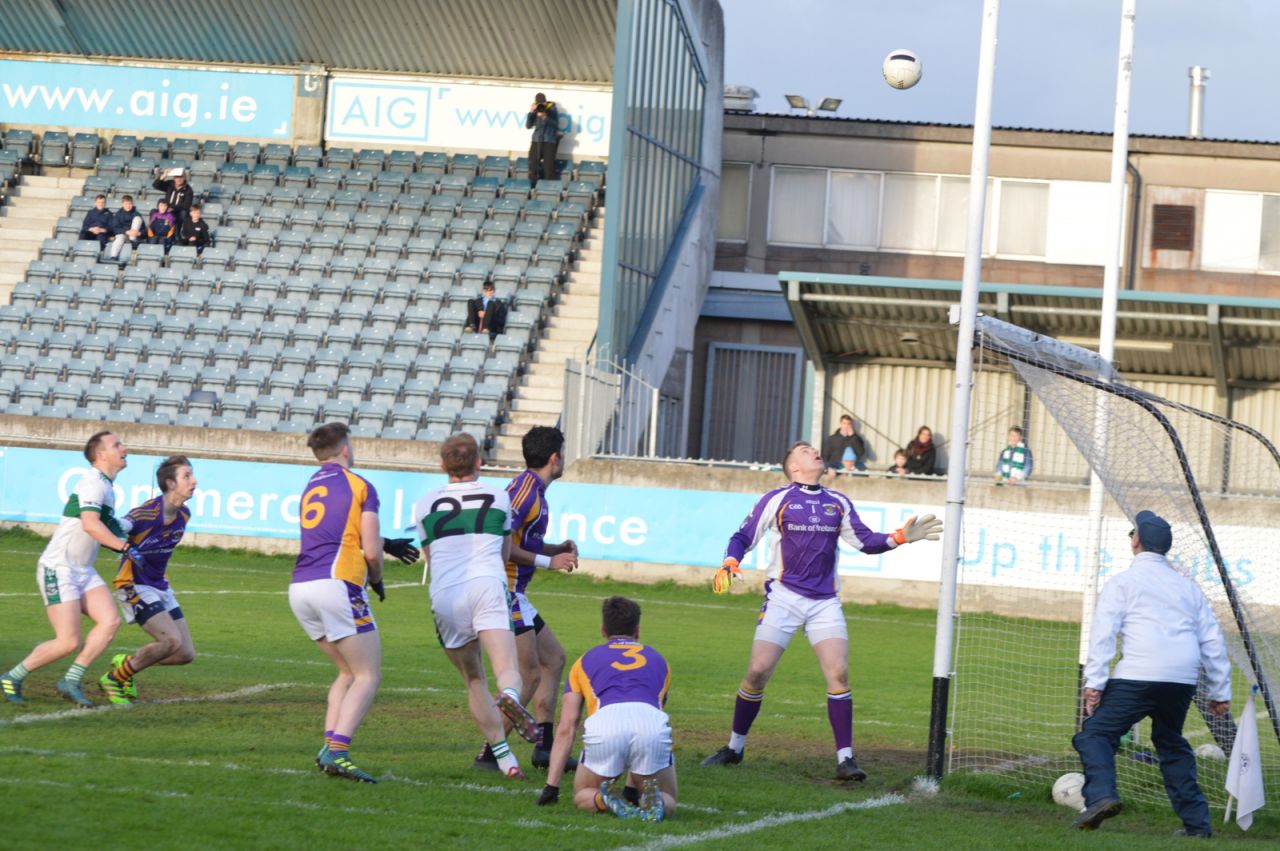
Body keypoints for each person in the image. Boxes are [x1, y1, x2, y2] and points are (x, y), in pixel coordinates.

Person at [701, 441, 943, 779]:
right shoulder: (777, 499)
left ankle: (846, 760)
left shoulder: (838, 502)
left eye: (813, 449)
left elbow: (866, 542)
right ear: (794, 467)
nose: (814, 451)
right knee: (757, 673)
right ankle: (734, 748)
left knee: (838, 674)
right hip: (782, 599)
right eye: (804, 450)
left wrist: (901, 537)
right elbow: (743, 536)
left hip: (824, 603)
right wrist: (730, 561)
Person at [1070, 511, 1231, 836]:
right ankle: (1198, 827)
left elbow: (1103, 636)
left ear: (1136, 541)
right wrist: (1219, 692)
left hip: (1138, 674)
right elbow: (1212, 639)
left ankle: (1101, 797)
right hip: (1182, 679)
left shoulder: (1123, 583)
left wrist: (1094, 685)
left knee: (1095, 735)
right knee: (1170, 742)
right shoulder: (1188, 588)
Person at [289, 422, 418, 783]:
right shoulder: (361, 485)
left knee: (347, 672)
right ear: (345, 448)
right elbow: (372, 552)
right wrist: (376, 580)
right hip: (338, 584)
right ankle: (339, 751)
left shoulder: (310, 485)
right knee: (367, 674)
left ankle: (328, 747)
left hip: (300, 586)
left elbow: (341, 535)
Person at [413, 433, 540, 780]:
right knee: (506, 669)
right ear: (479, 463)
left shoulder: (424, 503)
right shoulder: (499, 496)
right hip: (486, 585)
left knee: (473, 679)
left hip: (446, 594)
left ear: (442, 465)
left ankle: (504, 757)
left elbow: (430, 556)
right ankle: (511, 696)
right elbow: (503, 554)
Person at [0, 431, 138, 708]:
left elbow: (110, 525)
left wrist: (141, 524)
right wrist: (123, 548)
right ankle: (11, 677)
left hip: (82, 570)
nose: (124, 448)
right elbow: (90, 524)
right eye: (117, 445)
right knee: (67, 641)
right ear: (101, 455)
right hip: (59, 568)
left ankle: (70, 680)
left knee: (110, 621)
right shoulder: (92, 482)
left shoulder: (106, 486)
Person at [473, 426, 578, 773]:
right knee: (529, 674)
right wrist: (550, 561)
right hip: (505, 593)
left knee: (554, 659)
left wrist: (555, 549)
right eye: (562, 454)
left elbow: (522, 544)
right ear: (553, 457)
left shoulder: (534, 491)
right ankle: (492, 752)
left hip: (517, 593)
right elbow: (500, 541)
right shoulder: (522, 492)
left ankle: (545, 748)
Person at [538, 596, 675, 822]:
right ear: (637, 630)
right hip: (650, 723)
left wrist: (551, 787)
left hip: (606, 724)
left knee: (583, 794)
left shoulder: (583, 662)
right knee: (668, 797)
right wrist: (632, 788)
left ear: (603, 629)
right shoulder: (661, 661)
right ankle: (652, 799)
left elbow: (567, 727)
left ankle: (604, 799)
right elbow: (655, 710)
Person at [98, 456, 198, 704]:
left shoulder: (184, 514)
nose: (194, 481)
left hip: (160, 586)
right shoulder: (146, 513)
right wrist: (103, 517)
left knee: (185, 654)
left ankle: (127, 664)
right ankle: (114, 678)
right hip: (133, 585)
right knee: (169, 641)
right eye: (187, 476)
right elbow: (121, 525)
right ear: (170, 483)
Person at [525, 92, 561, 183]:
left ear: (546, 102)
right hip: (536, 140)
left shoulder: (552, 109)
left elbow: (556, 125)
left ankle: (547, 187)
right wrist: (531, 112)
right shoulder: (535, 110)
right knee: (532, 165)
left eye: (543, 103)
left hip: (549, 140)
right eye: (539, 103)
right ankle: (533, 186)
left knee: (548, 167)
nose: (541, 105)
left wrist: (545, 117)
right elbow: (528, 126)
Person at [107, 194, 145, 267]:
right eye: (126, 204)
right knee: (120, 238)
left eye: (129, 204)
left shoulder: (137, 214)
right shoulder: (118, 214)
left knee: (137, 219)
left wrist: (139, 233)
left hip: (134, 236)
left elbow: (144, 230)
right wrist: (126, 231)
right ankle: (113, 257)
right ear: (122, 204)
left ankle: (133, 241)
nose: (128, 206)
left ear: (132, 204)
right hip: (123, 234)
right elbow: (115, 228)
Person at [152, 166, 194, 231]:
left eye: (181, 177)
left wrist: (173, 208)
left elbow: (186, 205)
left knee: (183, 213)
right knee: (153, 211)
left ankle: (179, 233)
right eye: (177, 177)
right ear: (174, 178)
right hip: (166, 208)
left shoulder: (188, 190)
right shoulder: (170, 184)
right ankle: (153, 230)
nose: (179, 179)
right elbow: (155, 185)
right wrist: (164, 175)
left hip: (178, 210)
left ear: (184, 178)